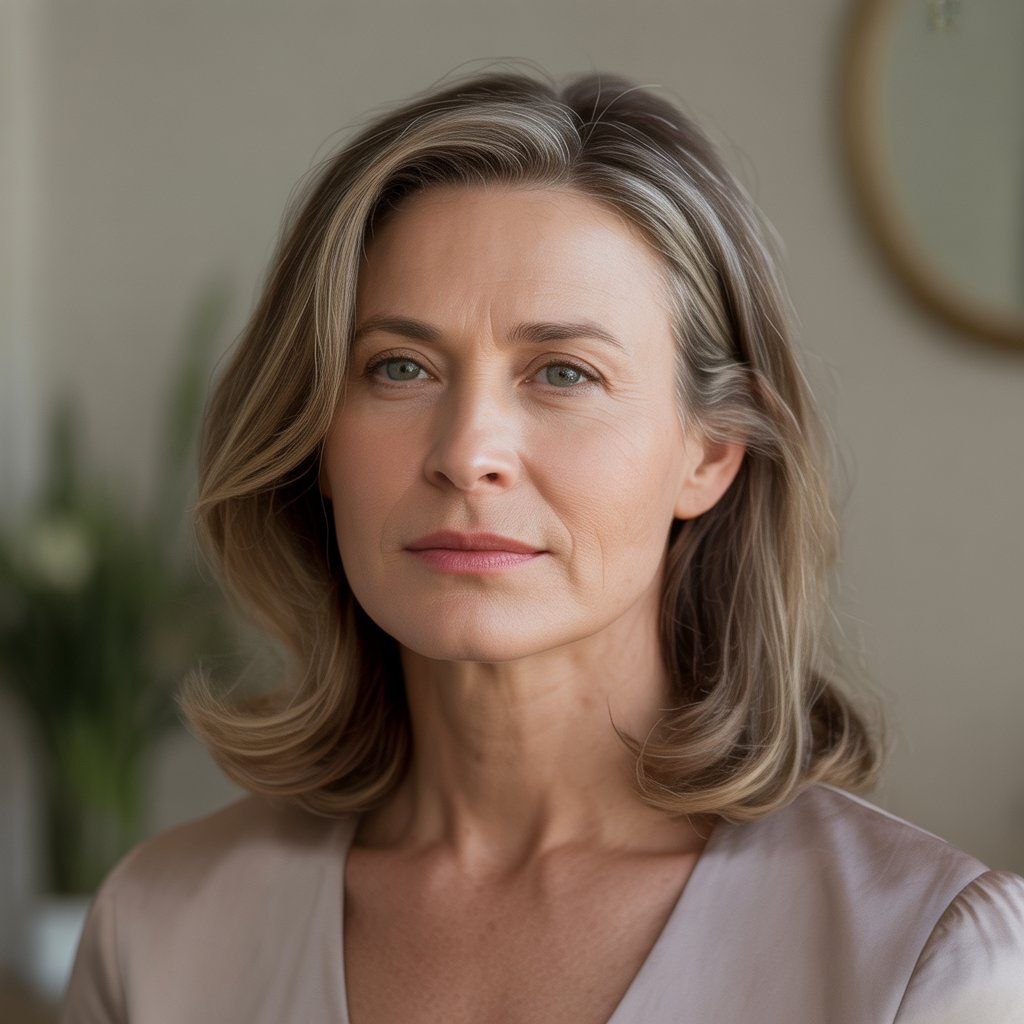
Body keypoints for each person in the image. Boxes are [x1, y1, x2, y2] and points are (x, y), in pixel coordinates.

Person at [63, 67, 1024, 1023]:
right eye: (399, 367)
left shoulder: (923, 960)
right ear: (316, 438)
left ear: (713, 452)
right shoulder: (160, 934)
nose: (468, 452)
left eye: (563, 371)